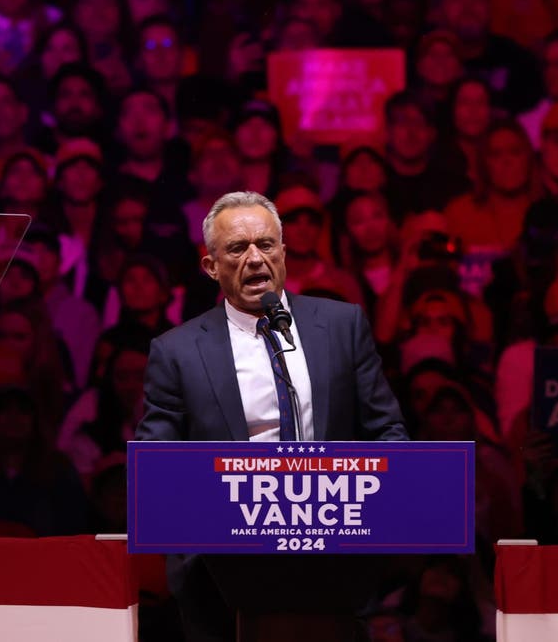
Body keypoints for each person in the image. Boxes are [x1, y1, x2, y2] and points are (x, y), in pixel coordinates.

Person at [136, 191, 407, 641]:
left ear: (284, 252)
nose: (255, 259)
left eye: (266, 244)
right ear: (210, 267)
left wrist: (383, 506)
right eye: (238, 249)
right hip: (221, 571)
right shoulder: (177, 352)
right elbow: (157, 463)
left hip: (334, 556)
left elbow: (386, 431)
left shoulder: (342, 326)